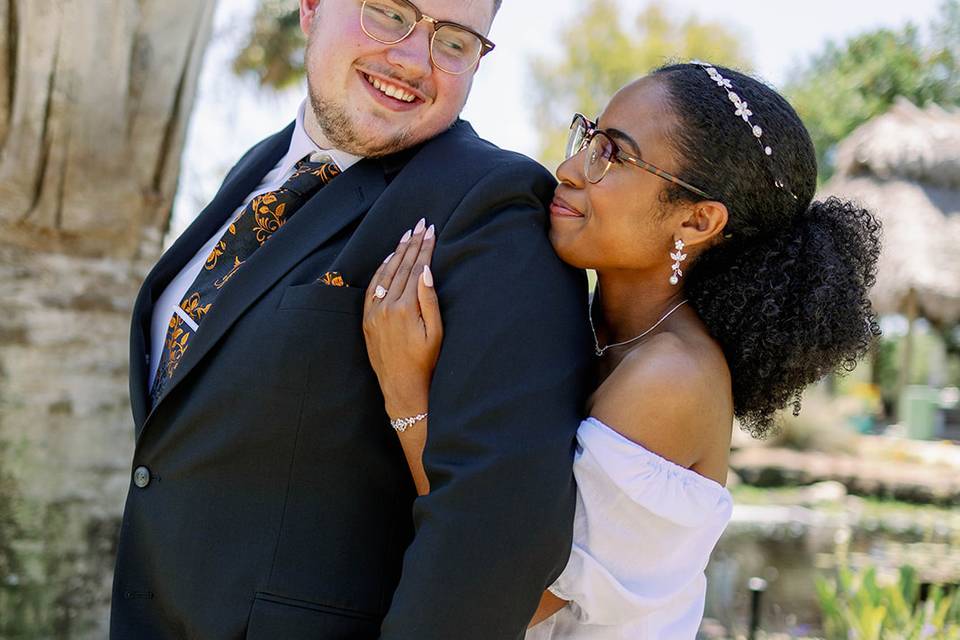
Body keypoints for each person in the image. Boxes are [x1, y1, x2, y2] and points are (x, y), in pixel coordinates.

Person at [110, 0, 593, 638]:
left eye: (455, 42)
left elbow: (496, 528)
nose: (413, 60)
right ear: (310, 8)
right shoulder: (259, 168)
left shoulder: (492, 204)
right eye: (389, 13)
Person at [361, 61, 882, 638]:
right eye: (589, 138)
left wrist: (406, 394)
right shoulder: (589, 331)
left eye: (612, 155)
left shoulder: (672, 378)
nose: (568, 169)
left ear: (697, 219)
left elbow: (515, 593)